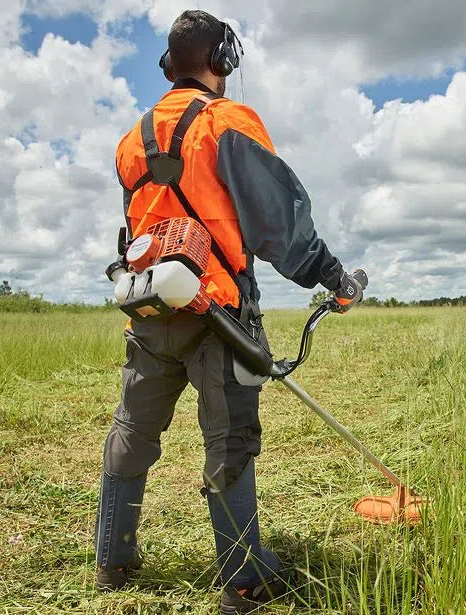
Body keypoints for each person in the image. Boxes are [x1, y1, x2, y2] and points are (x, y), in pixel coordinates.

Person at [94, 9, 364, 614]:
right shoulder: (227, 123)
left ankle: (113, 558)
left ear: (169, 65)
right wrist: (330, 276)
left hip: (150, 305)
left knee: (133, 428)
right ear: (223, 61)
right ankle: (244, 581)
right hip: (218, 311)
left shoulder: (133, 138)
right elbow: (280, 224)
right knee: (230, 440)